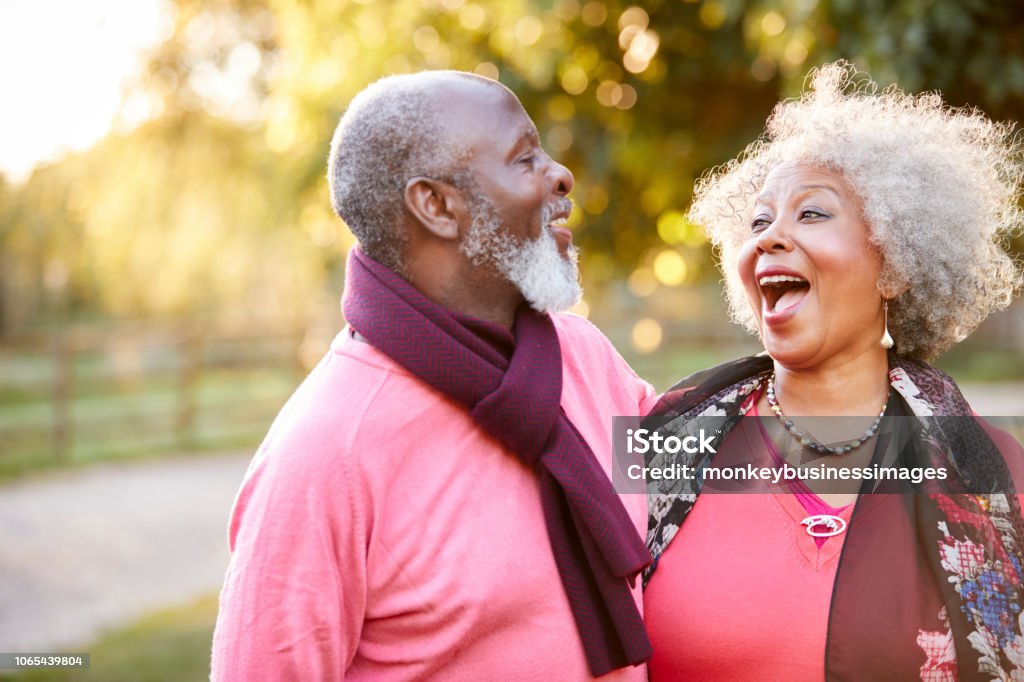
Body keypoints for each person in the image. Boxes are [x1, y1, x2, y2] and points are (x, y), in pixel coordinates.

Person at [210, 71, 658, 681]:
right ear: (439, 206)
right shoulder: (325, 452)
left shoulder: (583, 357)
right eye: (525, 158)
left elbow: (737, 473)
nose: (560, 175)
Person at [642, 62, 1024, 680]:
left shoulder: (994, 473)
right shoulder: (664, 445)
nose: (769, 238)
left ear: (895, 267)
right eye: (759, 221)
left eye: (812, 214)